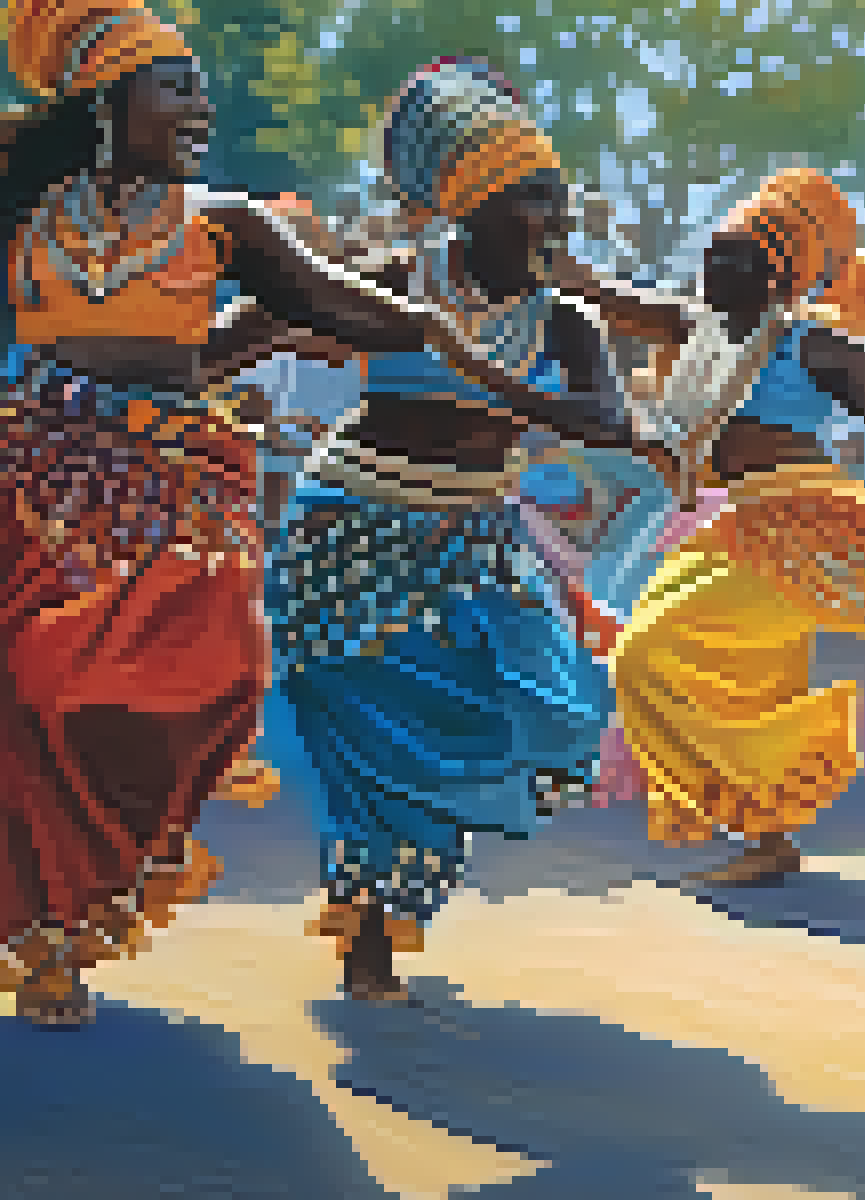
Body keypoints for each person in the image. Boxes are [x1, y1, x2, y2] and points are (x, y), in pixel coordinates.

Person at [0, 9, 529, 1025]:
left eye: (201, 88)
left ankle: (96, 881)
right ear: (106, 103)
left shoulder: (224, 225)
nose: (201, 107)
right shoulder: (23, 215)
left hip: (174, 492)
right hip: (34, 483)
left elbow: (339, 304)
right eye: (177, 87)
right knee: (31, 697)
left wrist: (439, 324)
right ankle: (50, 942)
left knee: (215, 676)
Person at [260, 59, 657, 1003]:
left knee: (541, 712)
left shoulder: (567, 321)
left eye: (561, 201)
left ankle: (383, 905)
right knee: (376, 736)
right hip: (348, 526)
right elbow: (262, 325)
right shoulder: (391, 281)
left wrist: (501, 385)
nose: (557, 221)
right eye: (535, 201)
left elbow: (605, 423)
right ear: (471, 209)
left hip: (472, 537)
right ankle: (371, 926)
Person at [597, 168, 865, 885]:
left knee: (647, 655)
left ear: (778, 277)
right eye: (713, 255)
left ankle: (849, 758)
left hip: (804, 523)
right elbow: (603, 297)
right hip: (736, 523)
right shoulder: (700, 331)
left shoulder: (814, 344)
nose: (716, 271)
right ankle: (767, 835)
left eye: (736, 260)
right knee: (733, 675)